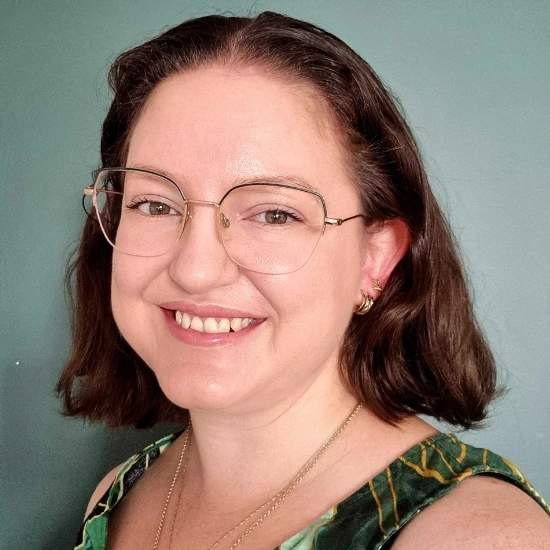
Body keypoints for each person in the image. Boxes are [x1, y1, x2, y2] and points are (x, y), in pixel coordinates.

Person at [57, 11, 550, 550]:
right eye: (154, 204)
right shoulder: (119, 494)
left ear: (375, 258)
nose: (195, 270)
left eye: (274, 214)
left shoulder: (475, 537)